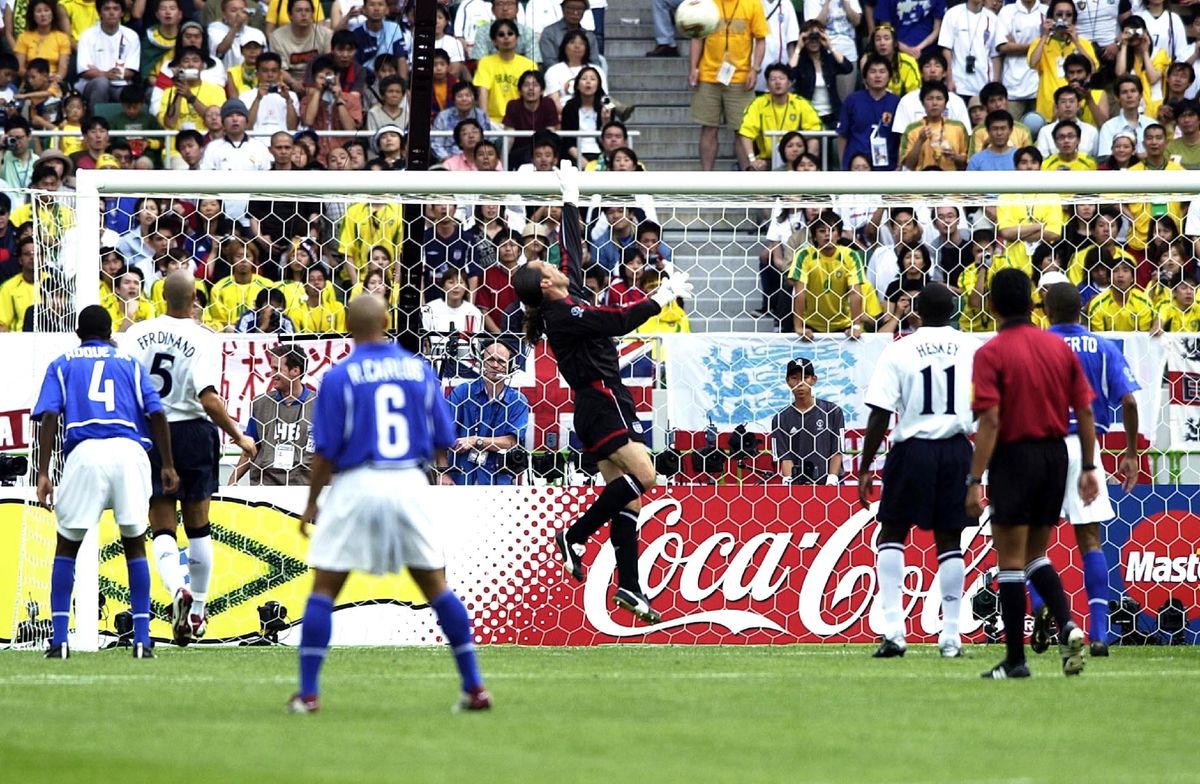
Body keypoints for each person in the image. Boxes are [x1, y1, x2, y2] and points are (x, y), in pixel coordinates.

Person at [289, 294, 491, 713]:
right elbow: (443, 441)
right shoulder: (419, 370)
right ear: (386, 320)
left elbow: (324, 450)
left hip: (356, 481)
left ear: (347, 326)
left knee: (324, 588)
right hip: (407, 481)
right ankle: (474, 687)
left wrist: (312, 502)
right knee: (436, 586)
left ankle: (308, 694)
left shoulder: (339, 375)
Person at [514, 162, 693, 625]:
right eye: (543, 264)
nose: (550, 261)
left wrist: (571, 198)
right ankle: (574, 535)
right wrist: (663, 296)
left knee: (628, 498)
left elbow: (571, 252)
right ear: (546, 284)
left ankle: (630, 588)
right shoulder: (562, 316)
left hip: (602, 403)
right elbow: (617, 321)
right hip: (602, 400)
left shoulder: (562, 296)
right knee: (648, 478)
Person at [967, 268, 1095, 679]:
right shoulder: (1058, 349)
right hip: (1056, 457)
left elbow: (989, 420)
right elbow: (1086, 411)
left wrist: (974, 480)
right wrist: (1090, 466)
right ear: (1031, 302)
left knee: (1009, 561)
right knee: (1036, 555)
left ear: (991, 306)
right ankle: (1070, 626)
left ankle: (1016, 661)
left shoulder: (990, 353)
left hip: (1014, 456)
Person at [121, 271, 258, 646]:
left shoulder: (135, 335)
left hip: (151, 432)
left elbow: (126, 387)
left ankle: (176, 589)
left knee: (161, 524)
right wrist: (239, 436)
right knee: (198, 525)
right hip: (193, 433)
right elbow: (208, 398)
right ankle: (197, 608)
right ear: (196, 297)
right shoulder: (203, 339)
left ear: (161, 295)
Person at [35, 306, 178, 660]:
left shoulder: (62, 363)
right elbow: (156, 412)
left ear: (78, 332)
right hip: (130, 452)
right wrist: (168, 465)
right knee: (134, 544)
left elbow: (50, 415)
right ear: (110, 330)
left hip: (85, 453)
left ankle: (58, 640)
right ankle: (143, 640)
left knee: (67, 546)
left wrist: (43, 471)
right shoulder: (129, 362)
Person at [857, 283, 978, 659]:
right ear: (954, 310)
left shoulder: (900, 349)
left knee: (892, 531)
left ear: (917, 312)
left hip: (912, 449)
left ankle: (894, 632)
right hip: (957, 448)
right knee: (950, 540)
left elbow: (880, 411)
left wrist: (865, 466)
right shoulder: (973, 348)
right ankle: (952, 638)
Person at [1039, 282, 1141, 658]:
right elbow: (1128, 400)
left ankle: (1041, 611)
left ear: (1047, 311)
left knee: (1036, 539)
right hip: (1086, 447)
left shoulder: (1038, 345)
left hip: (1042, 447)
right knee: (1091, 540)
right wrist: (1129, 451)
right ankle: (1099, 633)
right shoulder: (1103, 346)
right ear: (1081, 311)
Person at [689, 0, 767, 171]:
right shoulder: (707, 4)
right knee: (708, 127)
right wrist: (693, 67)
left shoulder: (753, 4)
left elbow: (760, 39)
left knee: (743, 131)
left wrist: (755, 68)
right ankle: (707, 177)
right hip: (709, 75)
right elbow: (697, 37)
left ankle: (746, 176)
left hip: (740, 77)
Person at [441, 339, 531, 486]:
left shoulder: (518, 401)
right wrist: (443, 473)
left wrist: (476, 440)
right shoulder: (463, 392)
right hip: (460, 478)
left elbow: (512, 442)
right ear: (481, 362)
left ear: (511, 366)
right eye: (490, 359)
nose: (495, 365)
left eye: (501, 361)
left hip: (497, 482)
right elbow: (441, 435)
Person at [232, 346, 315, 486]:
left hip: (302, 487)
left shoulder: (319, 405)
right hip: (265, 486)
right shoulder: (261, 404)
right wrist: (232, 481)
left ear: (295, 371)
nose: (271, 374)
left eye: (277, 369)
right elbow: (251, 448)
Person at [772, 358, 845, 486]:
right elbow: (785, 456)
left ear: (813, 380)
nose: (800, 383)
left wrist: (832, 478)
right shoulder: (780, 418)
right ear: (787, 382)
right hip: (798, 487)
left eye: (805, 377)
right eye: (794, 378)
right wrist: (789, 480)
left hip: (829, 485)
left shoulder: (833, 411)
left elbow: (837, 450)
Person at [736, 63, 822, 170]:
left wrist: (796, 151)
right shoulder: (758, 103)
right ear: (767, 85)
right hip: (767, 159)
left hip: (796, 159)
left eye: (782, 78)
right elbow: (746, 132)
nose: (777, 82)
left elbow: (815, 130)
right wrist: (752, 160)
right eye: (773, 79)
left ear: (789, 83)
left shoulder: (800, 103)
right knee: (755, 167)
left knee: (814, 141)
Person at [836, 54, 900, 171]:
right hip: (856, 166)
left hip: (887, 167)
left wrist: (899, 166)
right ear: (865, 77)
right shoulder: (852, 100)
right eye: (873, 71)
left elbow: (900, 137)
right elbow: (842, 135)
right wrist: (843, 165)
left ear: (889, 76)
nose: (877, 76)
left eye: (882, 71)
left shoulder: (897, 103)